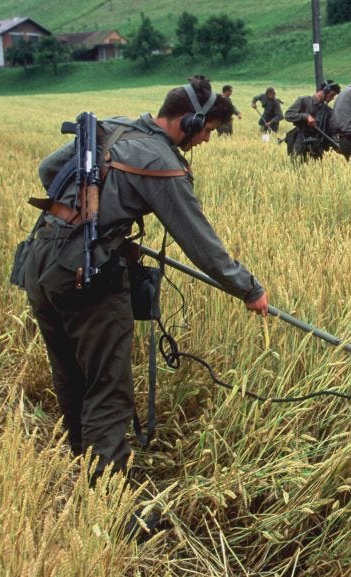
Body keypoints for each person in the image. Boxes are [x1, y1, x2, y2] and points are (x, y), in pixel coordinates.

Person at [22, 75, 269, 484]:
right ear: (189, 121)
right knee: (107, 387)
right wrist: (249, 289)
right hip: (85, 274)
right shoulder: (161, 162)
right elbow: (202, 243)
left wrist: (92, 217)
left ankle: (82, 467)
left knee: (71, 375)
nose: (207, 140)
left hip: (40, 257)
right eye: (207, 130)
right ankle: (108, 495)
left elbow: (48, 169)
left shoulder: (112, 127)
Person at [283, 80, 341, 160]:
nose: (332, 98)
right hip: (301, 141)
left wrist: (336, 144)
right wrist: (305, 116)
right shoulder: (304, 101)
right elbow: (288, 115)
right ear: (325, 91)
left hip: (318, 146)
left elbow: (331, 131)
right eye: (332, 95)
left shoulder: (328, 111)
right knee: (296, 165)